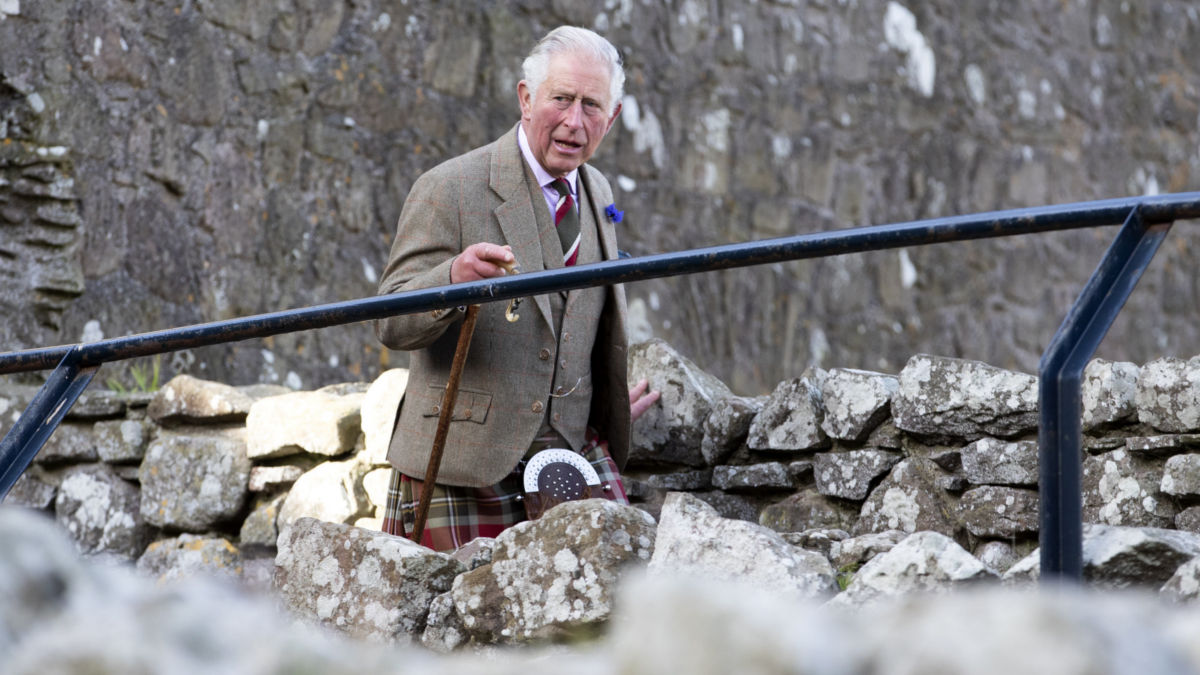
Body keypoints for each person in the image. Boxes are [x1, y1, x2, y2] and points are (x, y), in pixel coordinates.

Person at [375, 26, 659, 551]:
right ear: (526, 99)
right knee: (454, 631)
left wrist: (605, 400)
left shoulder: (598, 191)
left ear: (613, 118)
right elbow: (392, 320)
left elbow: (580, 320)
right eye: (562, 99)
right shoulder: (450, 188)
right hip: (462, 461)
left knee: (609, 620)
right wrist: (451, 280)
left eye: (593, 106)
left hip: (571, 458)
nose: (575, 122)